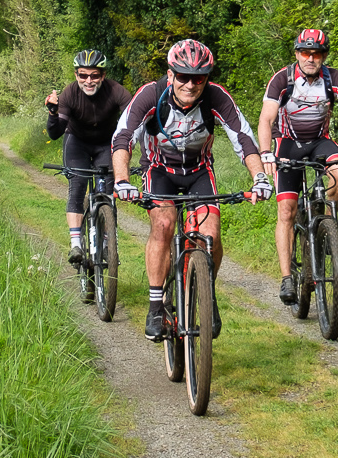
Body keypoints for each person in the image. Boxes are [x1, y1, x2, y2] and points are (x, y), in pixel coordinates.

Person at [110, 38, 271, 340]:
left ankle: (206, 292)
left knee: (211, 233)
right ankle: (156, 306)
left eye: (199, 78)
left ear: (206, 78)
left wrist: (260, 177)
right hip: (159, 170)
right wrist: (122, 180)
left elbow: (243, 138)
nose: (190, 84)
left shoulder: (216, 97)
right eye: (183, 76)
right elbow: (123, 137)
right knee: (164, 224)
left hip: (199, 172)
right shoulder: (151, 95)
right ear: (170, 74)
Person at [257, 29, 338, 305]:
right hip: (287, 143)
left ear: (324, 56)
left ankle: (326, 225)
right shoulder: (282, 79)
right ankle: (287, 278)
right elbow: (266, 119)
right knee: (287, 211)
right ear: (297, 53)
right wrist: (266, 153)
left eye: (317, 53)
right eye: (305, 52)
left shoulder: (334, 78)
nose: (310, 58)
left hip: (319, 141)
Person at [44, 49, 129, 268]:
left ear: (103, 75)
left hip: (106, 144)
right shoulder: (70, 93)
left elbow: (133, 119)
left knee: (108, 191)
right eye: (83, 75)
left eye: (94, 75)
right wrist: (53, 113)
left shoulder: (116, 91)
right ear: (76, 75)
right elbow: (55, 133)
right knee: (78, 185)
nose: (88, 80)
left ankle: (108, 243)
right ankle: (76, 245)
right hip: (77, 143)